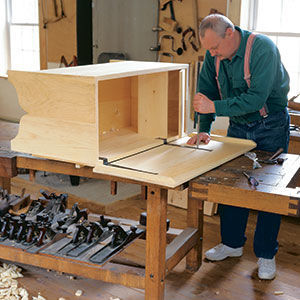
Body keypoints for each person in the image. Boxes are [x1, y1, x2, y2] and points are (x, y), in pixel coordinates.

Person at [187, 14, 290, 280]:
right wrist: (203, 130)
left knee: (268, 194)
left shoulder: (263, 49)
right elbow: (205, 94)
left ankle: (266, 255)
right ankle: (232, 244)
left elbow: (256, 99)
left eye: (215, 48)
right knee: (231, 187)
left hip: (270, 124)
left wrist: (214, 108)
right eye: (208, 49)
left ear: (230, 34)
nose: (212, 54)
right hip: (239, 126)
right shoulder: (214, 55)